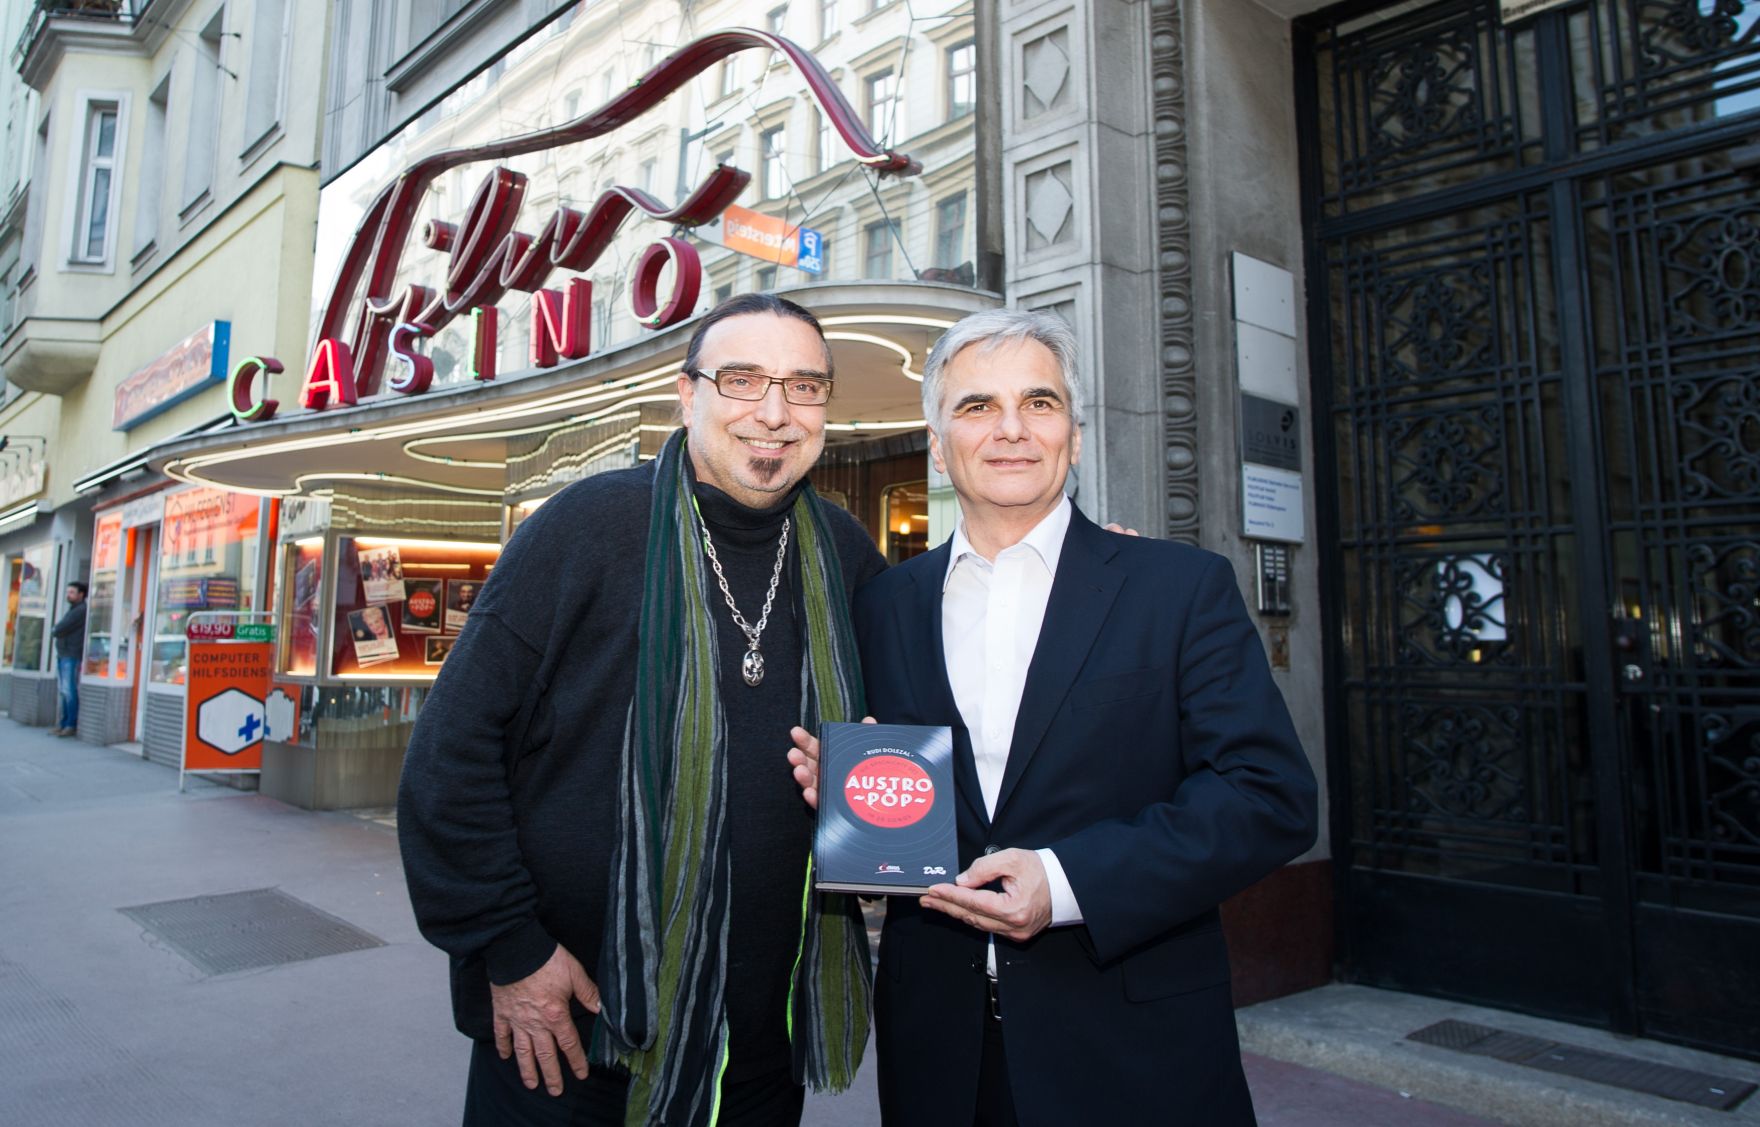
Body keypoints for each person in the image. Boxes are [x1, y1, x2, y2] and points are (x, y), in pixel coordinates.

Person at [788, 309, 1318, 1125]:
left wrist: (1069, 882)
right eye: (976, 407)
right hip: (940, 1055)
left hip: (1135, 1049)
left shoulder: (1177, 588)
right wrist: (849, 796)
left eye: (1039, 403)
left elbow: (1269, 795)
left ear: (1074, 433)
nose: (1010, 429)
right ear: (937, 443)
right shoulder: (884, 604)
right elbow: (902, 798)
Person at [398, 294, 884, 1127]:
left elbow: (936, 682)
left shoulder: (841, 550)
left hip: (764, 1039)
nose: (774, 411)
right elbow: (451, 752)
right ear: (687, 396)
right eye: (742, 380)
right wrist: (510, 947)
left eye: (805, 386)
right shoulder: (586, 528)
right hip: (569, 1035)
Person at [50, 581, 88, 738]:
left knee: (69, 690)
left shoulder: (80, 610)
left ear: (81, 595)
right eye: (68, 592)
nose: (68, 595)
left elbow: (60, 628)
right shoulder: (73, 609)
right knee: (65, 690)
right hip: (65, 653)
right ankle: (64, 723)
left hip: (71, 654)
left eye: (72, 592)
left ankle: (70, 724)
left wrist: (56, 629)